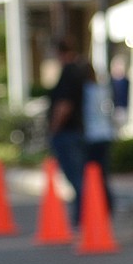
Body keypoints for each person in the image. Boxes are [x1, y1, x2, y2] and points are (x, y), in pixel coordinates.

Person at [47, 37, 87, 226]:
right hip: (76, 130)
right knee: (78, 175)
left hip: (68, 132)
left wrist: (54, 128)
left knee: (75, 176)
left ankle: (83, 215)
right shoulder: (78, 70)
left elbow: (64, 105)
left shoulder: (69, 72)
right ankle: (85, 213)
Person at [82, 63, 116, 213]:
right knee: (103, 172)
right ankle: (108, 203)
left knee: (93, 173)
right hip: (106, 133)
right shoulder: (102, 89)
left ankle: (98, 205)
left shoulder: (85, 91)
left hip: (92, 135)